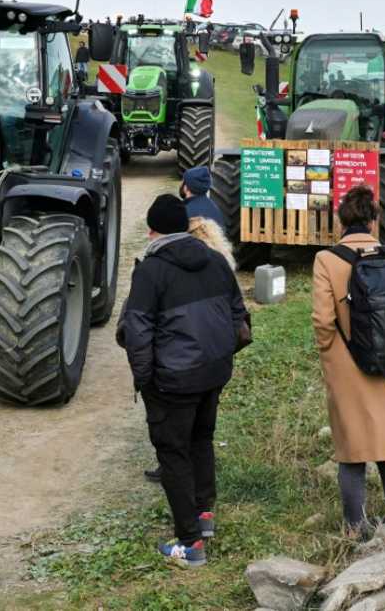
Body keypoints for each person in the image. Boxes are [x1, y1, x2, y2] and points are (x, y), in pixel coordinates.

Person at [123, 194, 246, 568]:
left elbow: (137, 333)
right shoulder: (215, 261)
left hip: (172, 381)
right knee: (200, 439)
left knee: (173, 452)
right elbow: (240, 318)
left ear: (152, 230)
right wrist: (220, 357)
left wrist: (146, 382)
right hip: (213, 372)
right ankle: (203, 514)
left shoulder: (150, 271)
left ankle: (190, 543)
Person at [312, 185, 385, 538]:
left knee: (352, 450)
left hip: (347, 366)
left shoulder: (327, 261)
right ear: (374, 221)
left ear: (341, 221)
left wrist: (333, 357)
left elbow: (323, 320)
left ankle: (354, 527)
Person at [142, 210, 236, 484]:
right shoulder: (219, 264)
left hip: (178, 368)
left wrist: (145, 375)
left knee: (177, 439)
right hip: (213, 363)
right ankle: (203, 507)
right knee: (201, 436)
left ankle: (189, 509)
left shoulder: (159, 269)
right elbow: (236, 314)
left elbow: (136, 327)